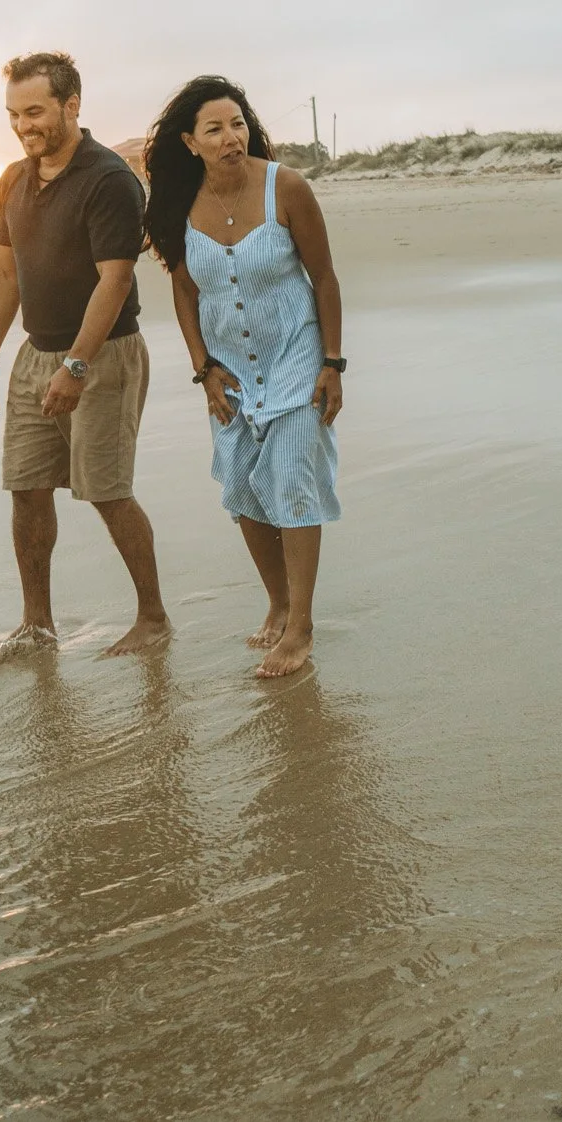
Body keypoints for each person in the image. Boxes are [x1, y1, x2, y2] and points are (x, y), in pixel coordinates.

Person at [0, 51, 170, 658]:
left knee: (107, 491)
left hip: (103, 356)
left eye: (35, 111)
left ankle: (153, 618)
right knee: (26, 491)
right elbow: (5, 274)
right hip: (35, 354)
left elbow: (116, 281)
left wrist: (76, 366)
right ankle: (37, 626)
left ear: (71, 105)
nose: (23, 125)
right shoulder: (13, 180)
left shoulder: (109, 179)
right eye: (13, 114)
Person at [143, 76, 345, 680]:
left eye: (237, 124)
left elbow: (325, 278)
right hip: (229, 371)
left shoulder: (286, 187)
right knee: (245, 489)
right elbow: (183, 290)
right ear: (190, 141)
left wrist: (333, 364)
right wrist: (203, 367)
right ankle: (278, 603)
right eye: (214, 129)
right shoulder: (179, 203)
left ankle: (301, 627)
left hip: (295, 359)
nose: (231, 138)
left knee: (293, 483)